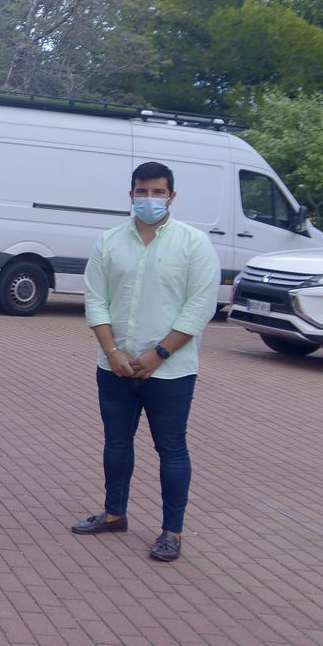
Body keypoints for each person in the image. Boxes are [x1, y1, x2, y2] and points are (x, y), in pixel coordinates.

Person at [71, 161, 220, 563]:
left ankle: (171, 531)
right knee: (116, 443)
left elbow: (200, 306)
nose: (149, 199)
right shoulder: (109, 242)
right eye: (142, 191)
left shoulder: (194, 244)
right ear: (131, 194)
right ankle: (114, 512)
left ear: (171, 196)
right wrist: (112, 351)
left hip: (170, 371)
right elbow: (95, 298)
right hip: (115, 366)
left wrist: (159, 354)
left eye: (157, 192)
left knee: (171, 449)